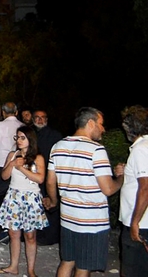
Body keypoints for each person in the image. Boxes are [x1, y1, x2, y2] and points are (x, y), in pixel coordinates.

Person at [44, 107, 125, 277]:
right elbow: (109, 189)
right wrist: (121, 178)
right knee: (83, 267)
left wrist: (53, 201)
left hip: (68, 217)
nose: (103, 129)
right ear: (90, 123)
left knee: (67, 262)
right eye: (101, 124)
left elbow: (50, 181)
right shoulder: (96, 150)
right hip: (90, 222)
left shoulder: (58, 146)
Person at [0, 126, 48, 277]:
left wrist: (21, 168)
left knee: (30, 236)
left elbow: (40, 179)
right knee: (13, 233)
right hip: (14, 196)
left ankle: (31, 270)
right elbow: (4, 176)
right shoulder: (13, 155)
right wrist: (12, 164)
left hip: (31, 198)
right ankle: (13, 266)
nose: (19, 140)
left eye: (23, 137)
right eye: (17, 137)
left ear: (30, 139)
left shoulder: (38, 158)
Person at [0, 101, 25, 244]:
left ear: (3, 112)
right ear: (16, 112)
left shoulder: (0, 126)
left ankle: (3, 228)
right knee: (9, 198)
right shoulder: (22, 126)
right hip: (18, 166)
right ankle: (14, 228)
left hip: (1, 165)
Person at [119, 105, 148, 277]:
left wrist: (135, 222)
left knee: (132, 271)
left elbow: (145, 187)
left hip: (140, 223)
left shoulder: (140, 149)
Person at [32, 109, 63, 246]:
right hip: (34, 174)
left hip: (50, 174)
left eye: (43, 117)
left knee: (50, 203)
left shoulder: (55, 135)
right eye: (37, 117)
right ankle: (37, 233)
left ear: (47, 119)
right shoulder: (30, 133)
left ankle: (51, 237)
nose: (40, 120)